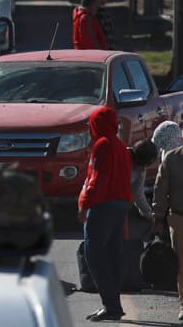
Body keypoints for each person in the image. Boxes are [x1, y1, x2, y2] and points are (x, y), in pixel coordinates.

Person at [79, 106, 133, 322]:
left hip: (103, 204)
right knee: (112, 254)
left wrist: (84, 203)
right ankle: (114, 303)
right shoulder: (120, 146)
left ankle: (110, 305)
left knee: (93, 253)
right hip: (120, 204)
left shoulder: (102, 145)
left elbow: (96, 180)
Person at [151, 122, 183, 321]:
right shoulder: (172, 159)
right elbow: (160, 191)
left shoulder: (170, 158)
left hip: (177, 218)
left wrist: (158, 218)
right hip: (179, 218)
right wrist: (158, 217)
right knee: (182, 266)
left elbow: (160, 191)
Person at [129, 139, 159, 223]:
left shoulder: (141, 170)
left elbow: (138, 193)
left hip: (119, 206)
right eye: (141, 166)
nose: (142, 169)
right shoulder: (120, 157)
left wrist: (148, 214)